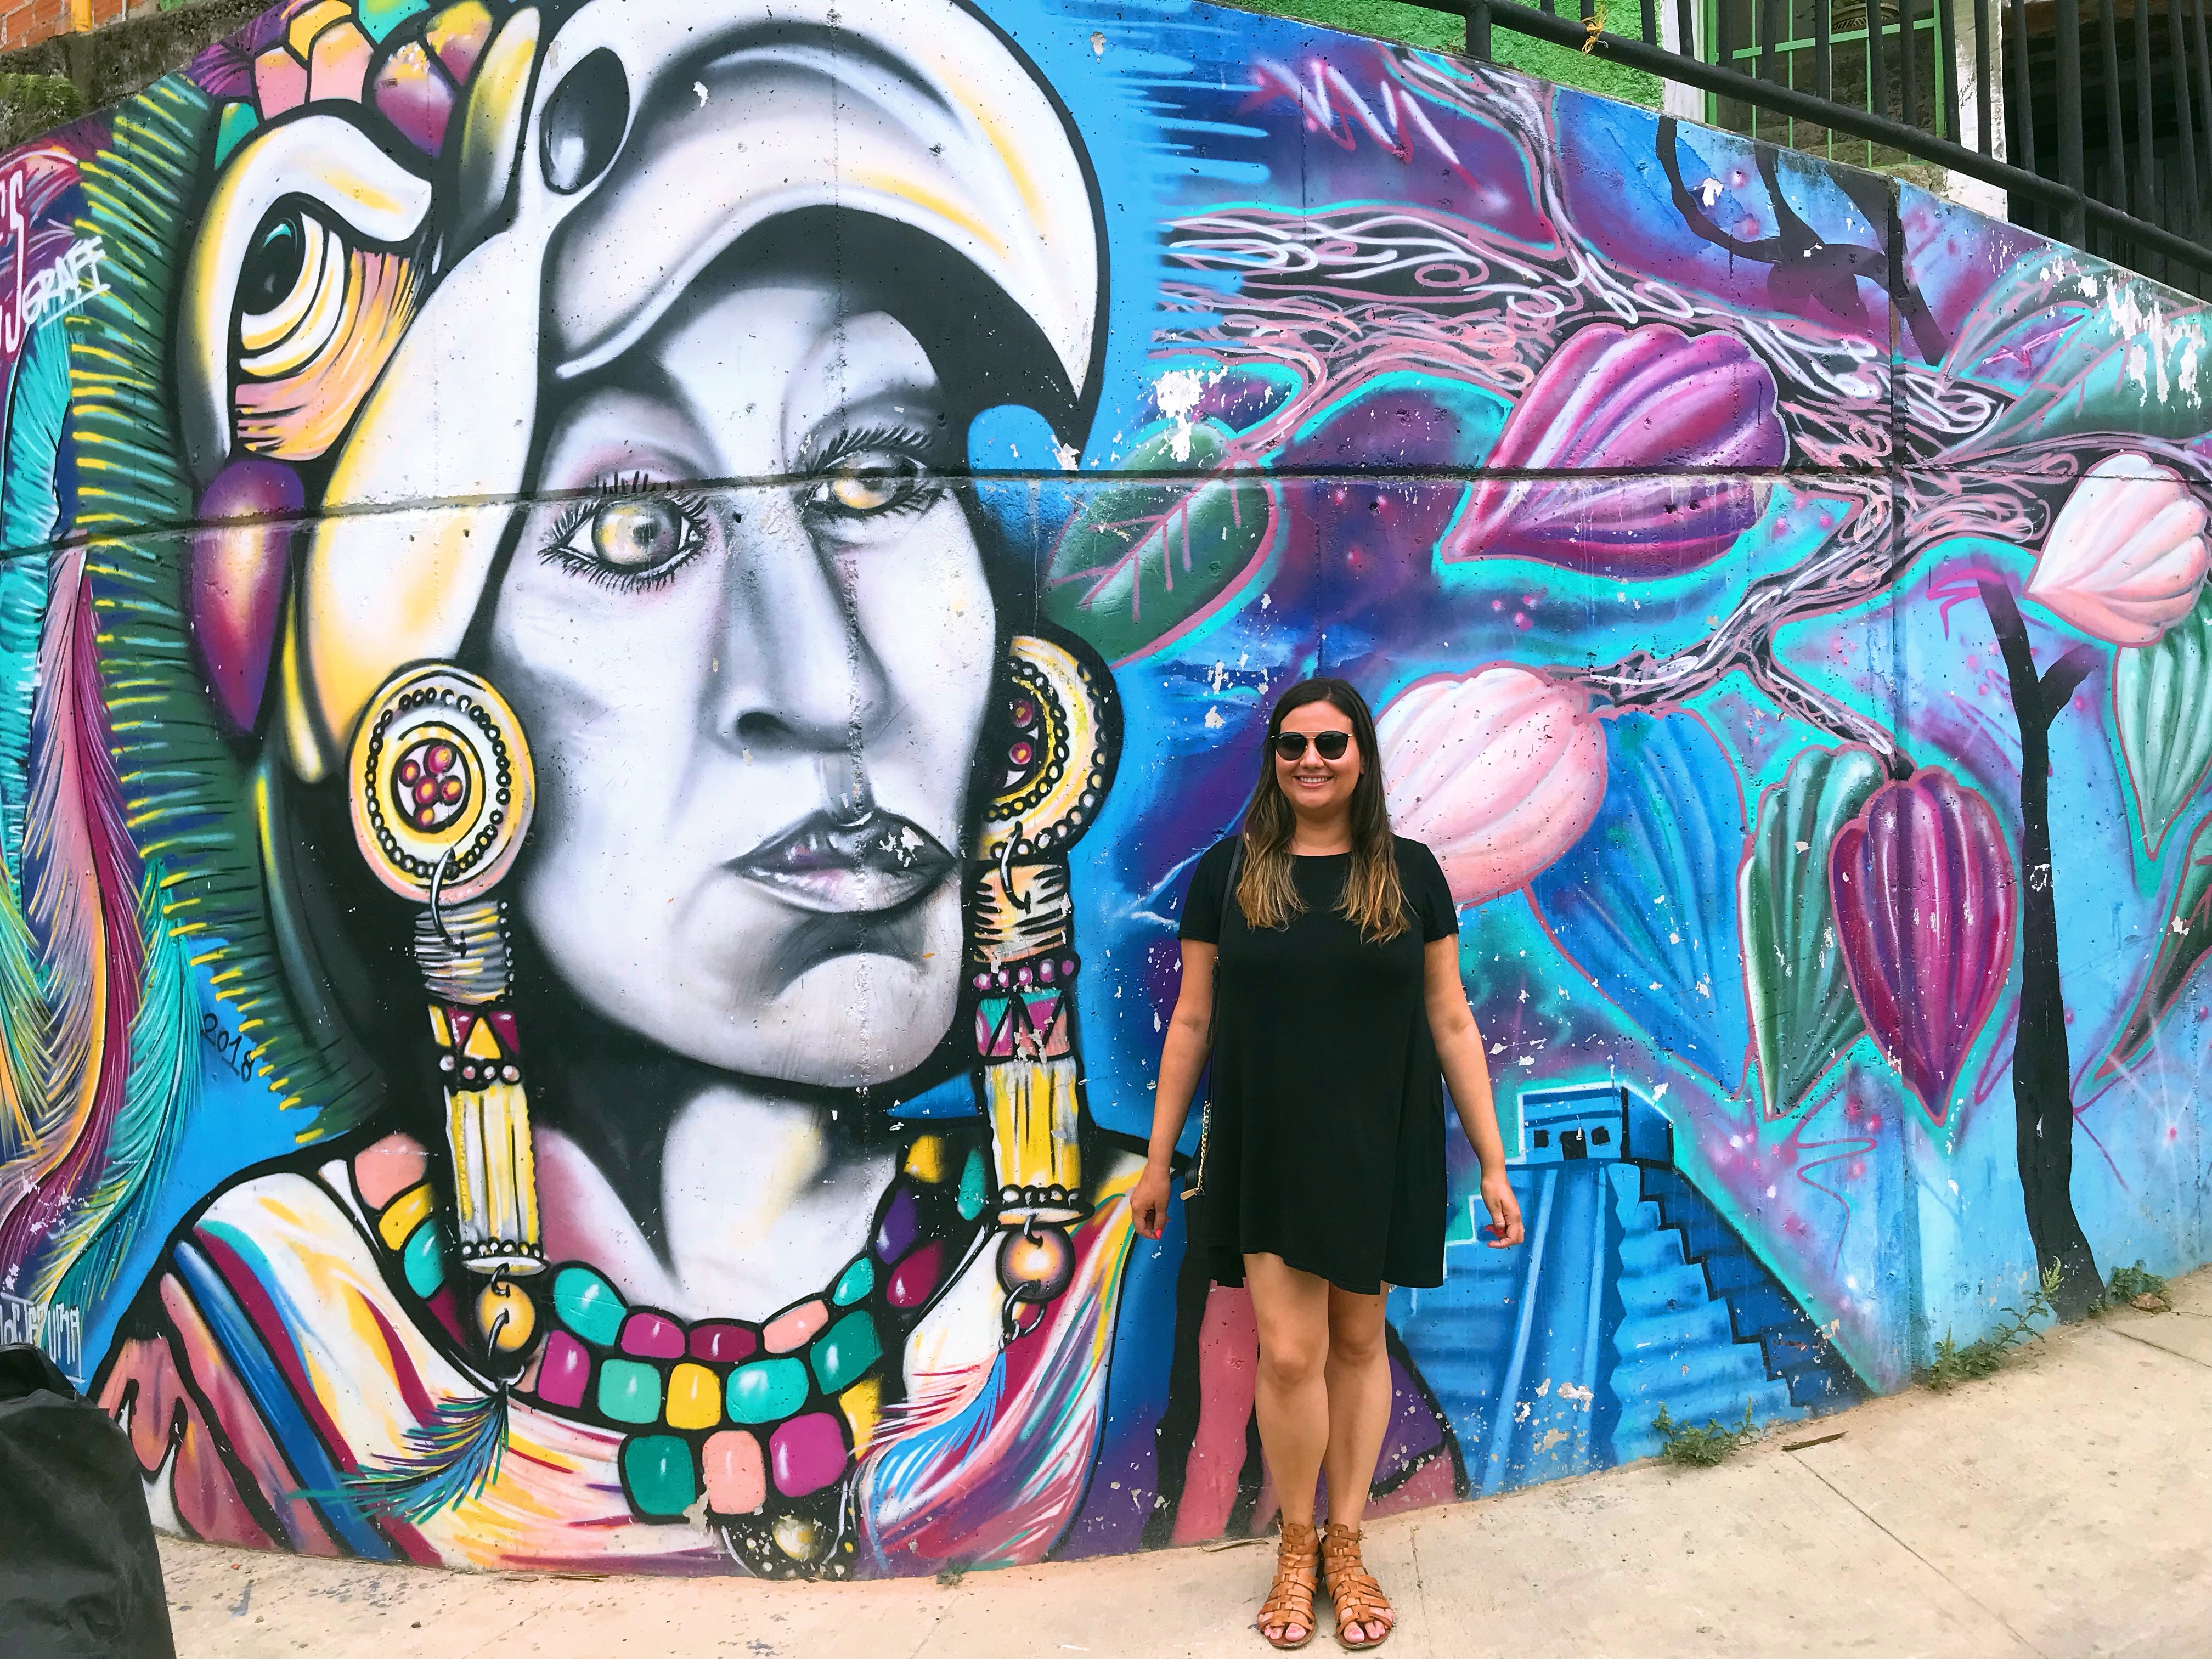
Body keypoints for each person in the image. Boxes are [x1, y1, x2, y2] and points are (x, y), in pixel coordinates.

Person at [87, 0, 1137, 1579]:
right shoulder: (266, 1360)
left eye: (879, 475)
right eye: (637, 532)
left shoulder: (1153, 1300)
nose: (833, 683)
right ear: (437, 727)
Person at [1131, 677, 1526, 1650]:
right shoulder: (1228, 874)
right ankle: (1296, 1546)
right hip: (1267, 1146)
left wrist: (1492, 1162)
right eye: (1293, 744)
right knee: (1289, 1353)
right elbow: (1192, 1022)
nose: (1311, 760)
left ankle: (1346, 1545)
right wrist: (1157, 1162)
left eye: (1331, 744)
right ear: (1274, 759)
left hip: (1379, 1144)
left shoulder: (1410, 874)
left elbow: (1450, 1018)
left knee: (1358, 1342)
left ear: (1361, 758)